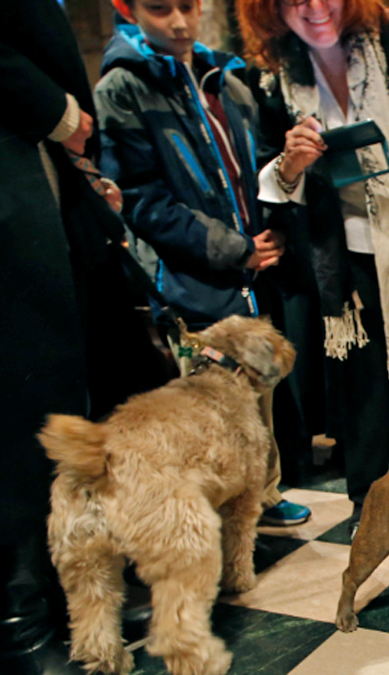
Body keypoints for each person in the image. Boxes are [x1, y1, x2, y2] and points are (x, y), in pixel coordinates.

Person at [237, 0, 389, 531]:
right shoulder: (270, 76)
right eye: (295, 0)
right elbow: (267, 178)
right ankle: (370, 503)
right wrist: (290, 163)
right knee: (358, 382)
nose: (315, 9)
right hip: (339, 251)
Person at [0, 1, 172, 672]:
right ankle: (19, 607)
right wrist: (58, 112)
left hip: (41, 162)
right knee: (18, 394)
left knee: (72, 383)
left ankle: (76, 582)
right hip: (22, 139)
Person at [95, 0, 312, 527]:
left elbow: (256, 169)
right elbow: (145, 201)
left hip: (251, 272)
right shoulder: (122, 88)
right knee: (207, 407)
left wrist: (271, 232)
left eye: (187, 6)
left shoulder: (227, 80)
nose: (178, 22)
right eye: (159, 8)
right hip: (192, 278)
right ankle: (212, 513)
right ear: (128, 9)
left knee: (257, 399)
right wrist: (237, 248)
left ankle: (260, 494)